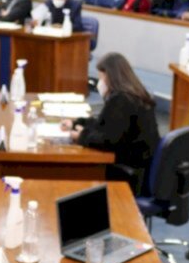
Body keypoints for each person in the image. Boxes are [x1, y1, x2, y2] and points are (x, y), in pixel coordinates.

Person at [63, 52, 160, 193]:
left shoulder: (121, 100)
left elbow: (107, 141)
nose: (100, 82)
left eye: (102, 77)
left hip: (129, 172)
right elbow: (106, 124)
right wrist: (78, 123)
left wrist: (81, 136)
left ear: (111, 77)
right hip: (141, 166)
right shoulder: (134, 94)